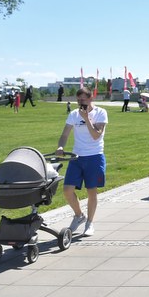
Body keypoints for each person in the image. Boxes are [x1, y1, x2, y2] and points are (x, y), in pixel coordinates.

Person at [55, 87, 108, 237]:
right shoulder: (73, 114)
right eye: (78, 100)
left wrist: (86, 118)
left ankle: (89, 222)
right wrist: (60, 146)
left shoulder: (101, 113)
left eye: (83, 100)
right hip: (76, 157)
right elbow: (65, 134)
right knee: (67, 190)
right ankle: (79, 215)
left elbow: (96, 136)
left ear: (91, 99)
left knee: (92, 191)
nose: (80, 103)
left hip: (94, 156)